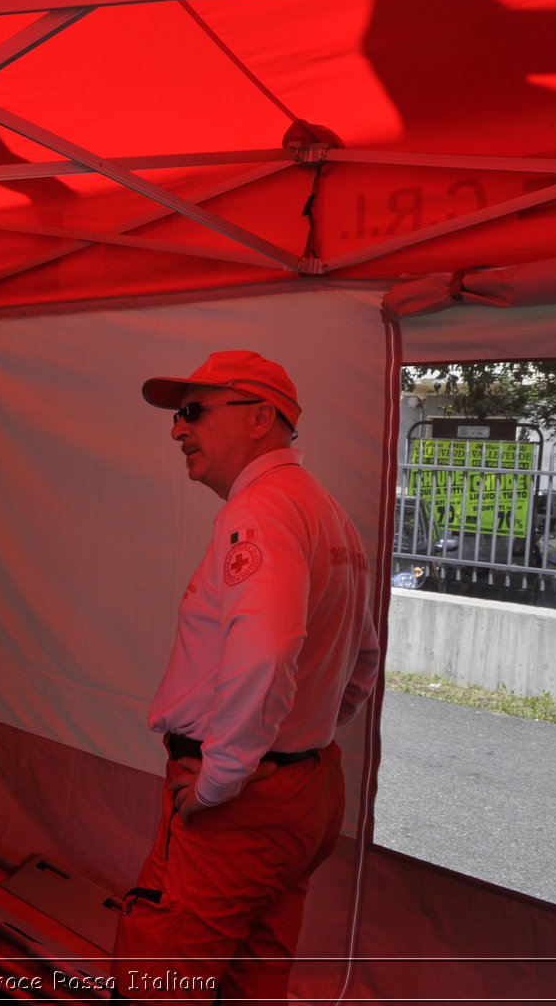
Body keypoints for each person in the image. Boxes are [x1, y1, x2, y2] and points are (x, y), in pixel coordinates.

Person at [113, 351, 381, 1003]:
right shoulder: (326, 512)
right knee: (253, 975)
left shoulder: (261, 509)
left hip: (242, 805)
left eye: (193, 410)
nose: (177, 429)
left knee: (157, 983)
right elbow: (364, 661)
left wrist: (221, 776)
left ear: (262, 416)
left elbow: (266, 650)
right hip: (301, 794)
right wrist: (299, 733)